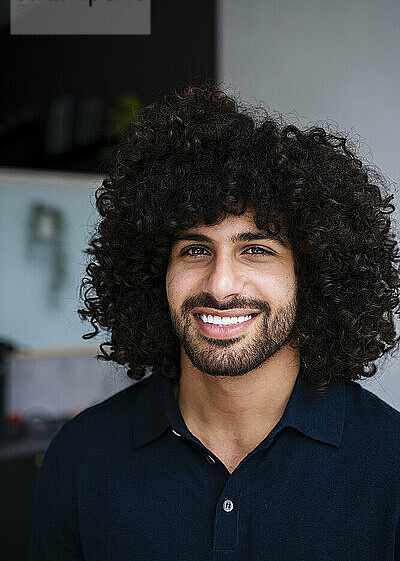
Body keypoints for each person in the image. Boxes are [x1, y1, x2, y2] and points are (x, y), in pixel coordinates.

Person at [31, 84, 400, 560]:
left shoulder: (389, 464)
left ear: (312, 275)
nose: (221, 286)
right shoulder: (81, 457)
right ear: (154, 272)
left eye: (256, 249)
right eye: (195, 249)